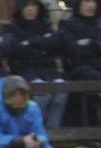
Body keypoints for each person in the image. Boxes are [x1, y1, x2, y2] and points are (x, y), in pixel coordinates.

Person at [4, 0, 67, 130]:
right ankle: (35, 129)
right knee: (42, 92)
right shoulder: (12, 26)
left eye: (33, 5)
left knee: (62, 90)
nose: (30, 9)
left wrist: (30, 42)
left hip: (48, 69)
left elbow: (56, 44)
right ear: (20, 8)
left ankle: (53, 129)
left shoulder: (46, 24)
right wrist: (42, 45)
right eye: (26, 5)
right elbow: (15, 49)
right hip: (25, 69)